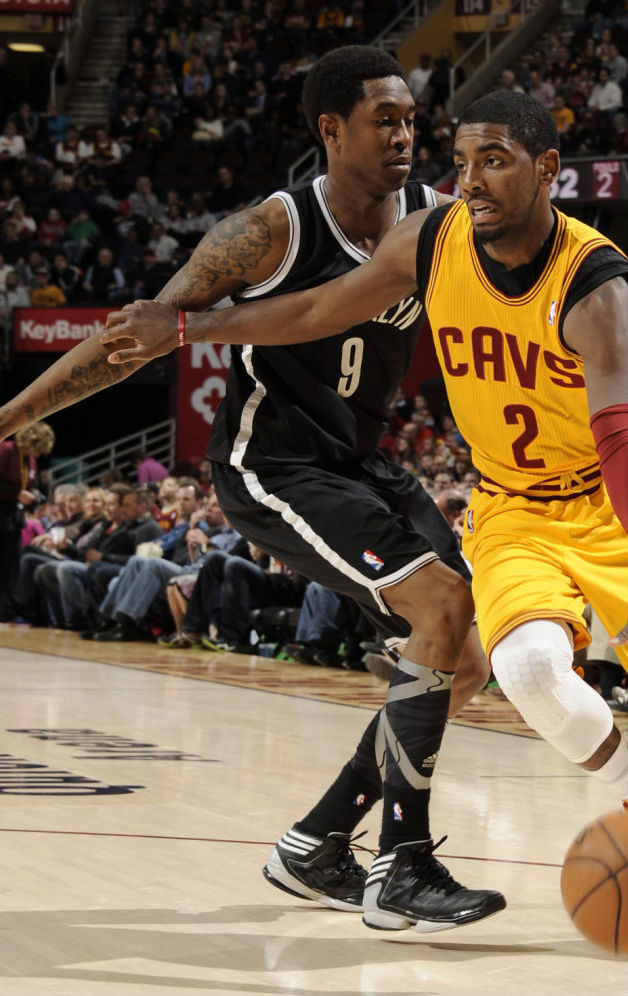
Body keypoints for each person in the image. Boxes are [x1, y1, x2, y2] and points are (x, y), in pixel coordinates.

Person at [0, 47, 507, 934]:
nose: (403, 135)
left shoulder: (434, 219)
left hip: (364, 463)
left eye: (409, 120)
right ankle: (402, 865)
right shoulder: (269, 231)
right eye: (383, 121)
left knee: (465, 656)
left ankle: (316, 843)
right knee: (438, 602)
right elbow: (136, 338)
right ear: (331, 130)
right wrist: (7, 419)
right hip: (270, 466)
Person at [100, 89, 628, 811]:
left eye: (494, 161)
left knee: (483, 655)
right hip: (516, 511)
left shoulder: (596, 286)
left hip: (607, 501)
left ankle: (336, 834)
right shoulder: (432, 240)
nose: (471, 180)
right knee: (526, 670)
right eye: (462, 163)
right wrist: (192, 329)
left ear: (546, 168)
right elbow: (321, 307)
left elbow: (619, 439)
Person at [0, 422, 54, 620]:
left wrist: (33, 493)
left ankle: (5, 611)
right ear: (31, 441)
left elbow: (29, 484)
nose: (38, 455)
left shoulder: (29, 459)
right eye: (38, 449)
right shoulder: (6, 449)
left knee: (10, 564)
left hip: (13, 517)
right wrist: (17, 492)